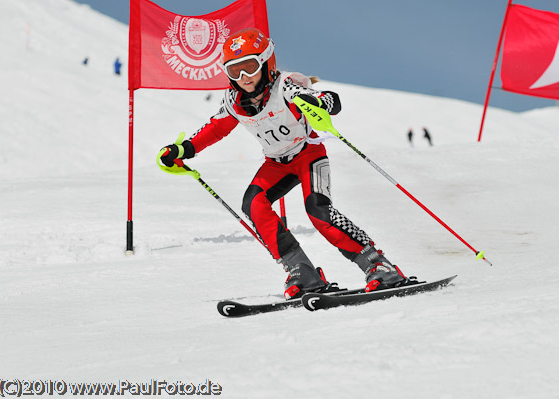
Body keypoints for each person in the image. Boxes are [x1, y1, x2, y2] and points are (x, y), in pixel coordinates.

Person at [160, 28, 409, 299]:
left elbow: (327, 99)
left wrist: (321, 103)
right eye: (235, 71)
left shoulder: (286, 85)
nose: (243, 78)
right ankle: (302, 271)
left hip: (308, 154)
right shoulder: (235, 101)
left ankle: (377, 264)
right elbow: (216, 128)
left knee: (318, 210)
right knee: (253, 204)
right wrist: (183, 149)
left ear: (267, 63)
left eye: (250, 67)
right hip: (276, 164)